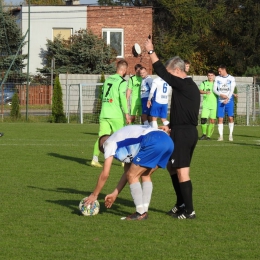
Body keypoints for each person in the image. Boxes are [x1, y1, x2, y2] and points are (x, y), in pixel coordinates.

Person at [145, 39, 200, 219]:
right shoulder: (187, 86)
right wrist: (170, 126)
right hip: (182, 131)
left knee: (183, 171)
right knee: (171, 167)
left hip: (184, 134)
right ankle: (181, 203)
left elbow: (160, 70)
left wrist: (151, 50)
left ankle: (189, 210)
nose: (167, 79)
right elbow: (185, 112)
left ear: (178, 71)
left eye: (170, 74)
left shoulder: (184, 84)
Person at [84, 125, 174, 220]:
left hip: (153, 141)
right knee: (145, 174)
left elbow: (105, 174)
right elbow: (127, 173)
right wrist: (115, 193)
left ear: (103, 147)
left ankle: (140, 213)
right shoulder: (125, 143)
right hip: (168, 142)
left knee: (132, 175)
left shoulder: (108, 143)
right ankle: (144, 210)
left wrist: (94, 195)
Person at [90, 59, 131, 168]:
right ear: (124, 70)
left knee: (101, 137)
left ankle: (95, 159)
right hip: (115, 114)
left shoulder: (107, 80)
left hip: (104, 113)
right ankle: (124, 160)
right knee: (121, 137)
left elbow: (102, 94)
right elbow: (123, 98)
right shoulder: (122, 82)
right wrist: (127, 113)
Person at [213, 65, 236, 141]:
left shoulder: (231, 78)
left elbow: (232, 90)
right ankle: (221, 136)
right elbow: (214, 89)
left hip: (229, 101)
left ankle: (230, 135)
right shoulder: (217, 78)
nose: (219, 72)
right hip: (220, 101)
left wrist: (228, 98)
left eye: (220, 71)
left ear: (224, 70)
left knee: (230, 117)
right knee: (220, 118)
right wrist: (220, 95)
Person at [199, 70, 217, 140]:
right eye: (209, 75)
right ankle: (204, 134)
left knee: (212, 121)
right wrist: (205, 92)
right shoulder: (204, 83)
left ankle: (208, 136)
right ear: (207, 76)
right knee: (203, 120)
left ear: (214, 76)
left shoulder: (216, 84)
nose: (210, 77)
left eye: (212, 75)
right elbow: (200, 90)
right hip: (206, 105)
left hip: (214, 105)